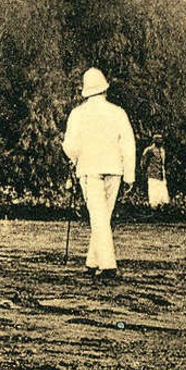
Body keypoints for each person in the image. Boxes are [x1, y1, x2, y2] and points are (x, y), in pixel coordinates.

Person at [62, 68, 136, 281]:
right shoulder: (118, 112)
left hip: (89, 169)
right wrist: (129, 175)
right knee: (103, 216)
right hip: (114, 170)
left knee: (98, 216)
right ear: (104, 89)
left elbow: (71, 146)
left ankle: (107, 265)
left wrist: (73, 158)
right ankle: (92, 261)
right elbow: (128, 143)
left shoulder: (77, 114)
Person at [141, 133, 170, 207]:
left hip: (161, 176)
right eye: (158, 139)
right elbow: (143, 162)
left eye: (161, 139)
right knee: (154, 194)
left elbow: (163, 163)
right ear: (154, 140)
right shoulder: (149, 150)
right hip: (153, 175)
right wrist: (146, 171)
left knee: (163, 195)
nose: (160, 141)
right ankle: (153, 208)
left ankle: (162, 208)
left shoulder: (162, 150)